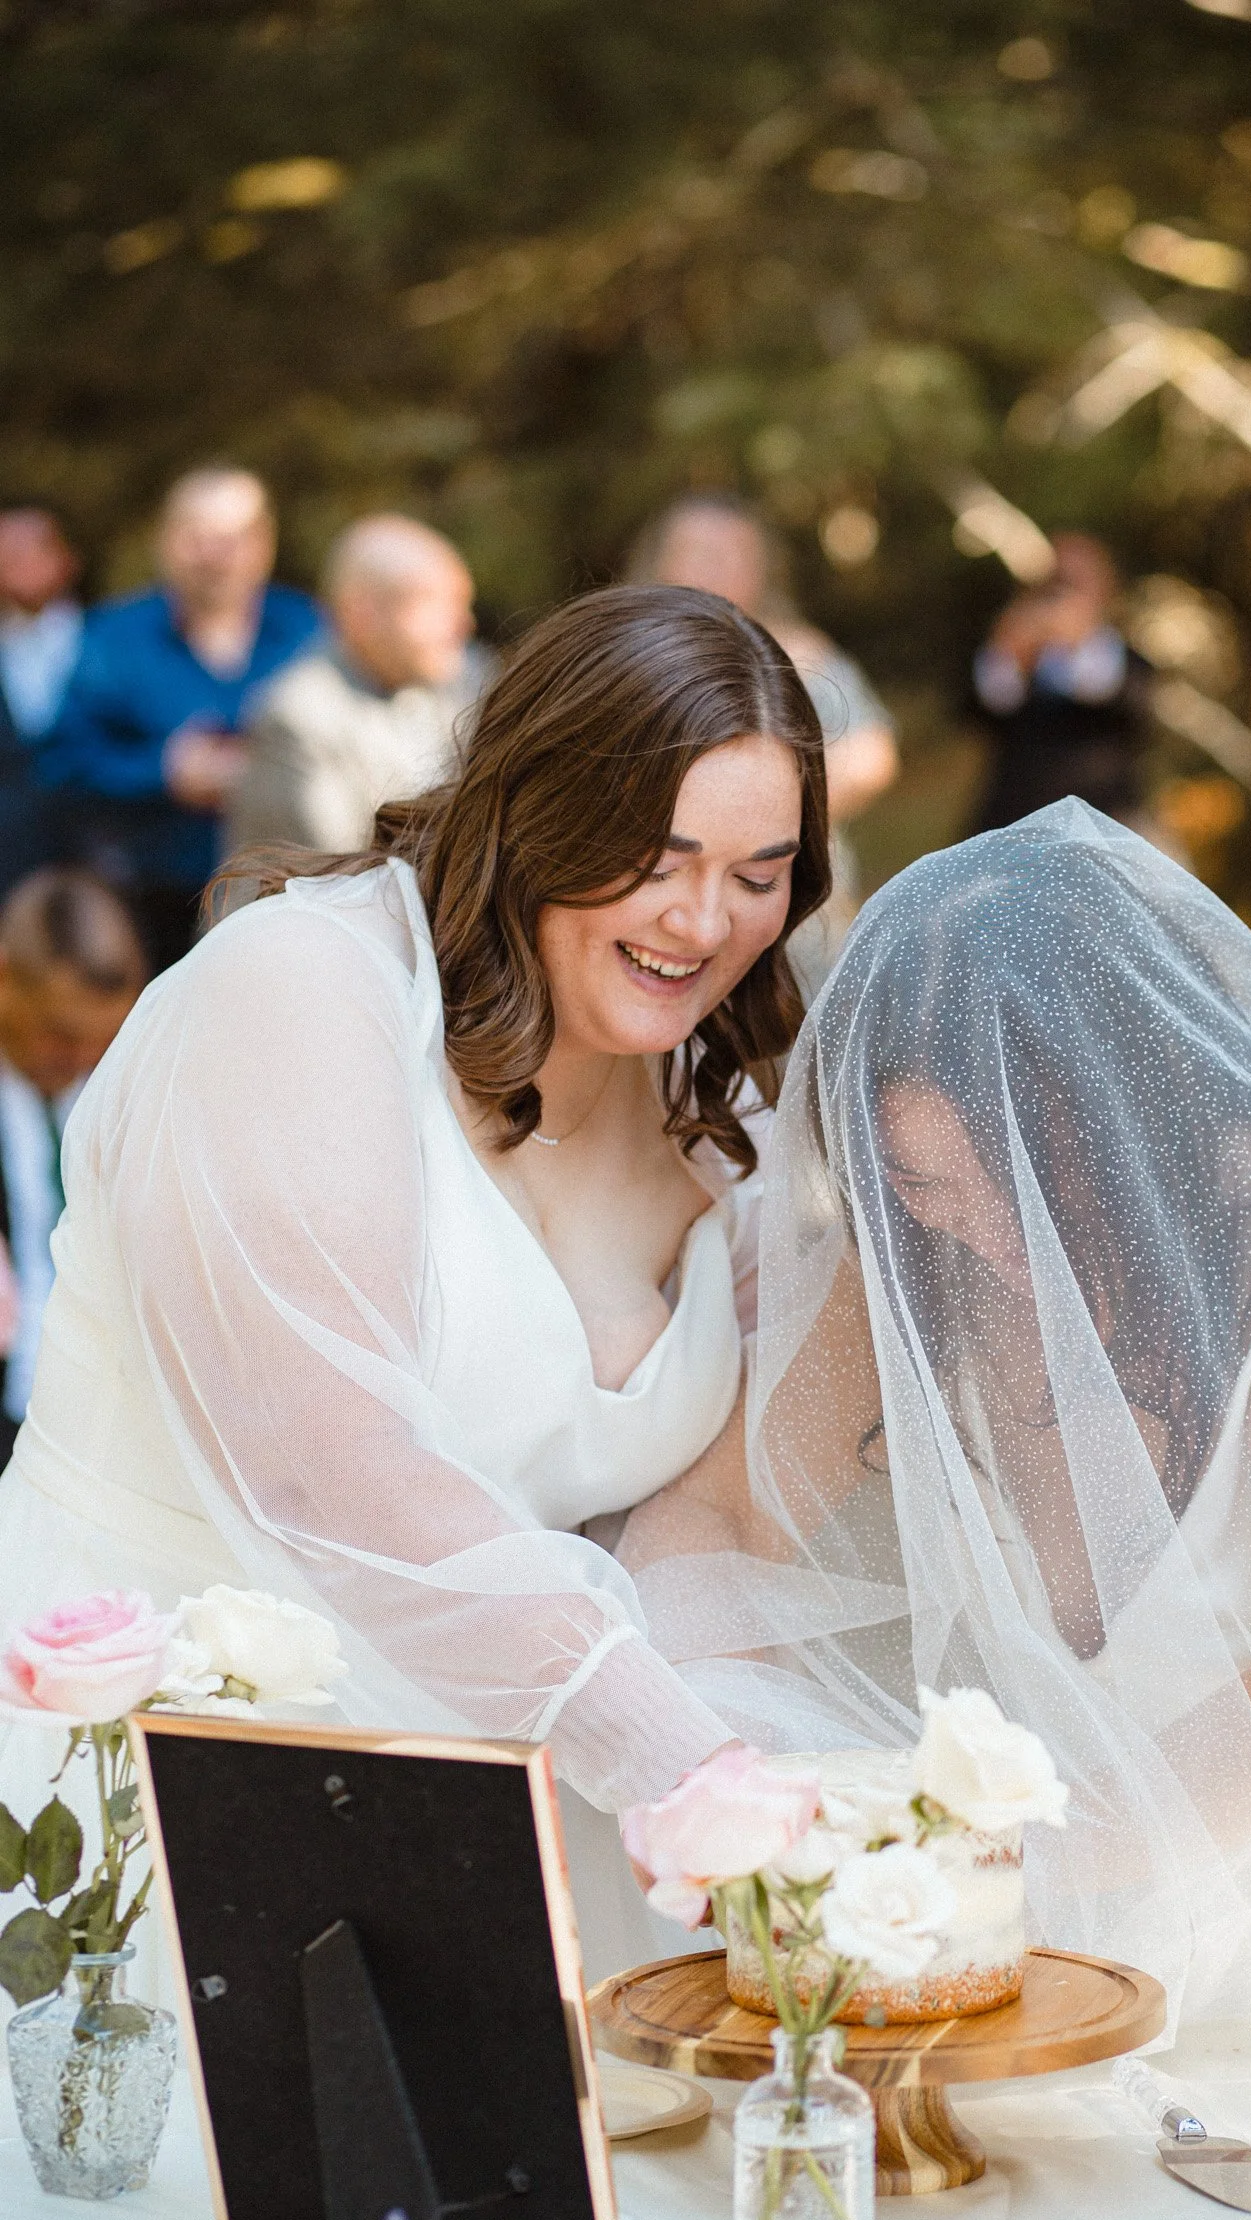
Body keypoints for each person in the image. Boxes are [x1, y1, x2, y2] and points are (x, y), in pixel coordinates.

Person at [0, 583, 830, 1979]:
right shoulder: (302, 992)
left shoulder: (706, 1108)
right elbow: (332, 1476)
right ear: (533, 810)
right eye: (657, 856)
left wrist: (750, 1779)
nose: (704, 922)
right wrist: (681, 1764)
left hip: (488, 1820)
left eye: (761, 874)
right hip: (135, 1787)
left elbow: (700, 1510)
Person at [618, 801, 1251, 2027]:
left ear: (1136, 1123)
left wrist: (999, 1873)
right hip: (1093, 1931)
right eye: (924, 1186)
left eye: (1029, 1187)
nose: (996, 1246)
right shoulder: (920, 1242)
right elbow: (720, 1515)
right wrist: (710, 1771)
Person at [39, 467, 319, 972]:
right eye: (197, 536)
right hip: (149, 912)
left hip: (295, 905)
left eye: (233, 537)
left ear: (265, 544)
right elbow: (58, 767)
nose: (214, 555)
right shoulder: (112, 639)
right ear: (164, 540)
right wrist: (162, 772)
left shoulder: (310, 632)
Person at [627, 495, 897, 992]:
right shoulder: (624, 653)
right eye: (704, 553)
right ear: (658, 561)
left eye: (737, 555)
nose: (721, 568)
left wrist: (755, 825)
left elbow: (872, 755)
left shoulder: (800, 651)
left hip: (795, 924)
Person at [228, 514, 492, 858]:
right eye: (435, 603)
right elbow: (339, 874)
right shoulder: (296, 719)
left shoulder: (466, 682)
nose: (463, 624)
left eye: (462, 603)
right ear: (363, 612)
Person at [0, 870, 145, 1464]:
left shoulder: (117, 1097)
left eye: (100, 1041)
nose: (82, 1059)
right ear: (4, 979)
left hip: (96, 1429)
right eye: (61, 1036)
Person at [970, 533, 1158, 835]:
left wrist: (1079, 644)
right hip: (1017, 817)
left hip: (1107, 817)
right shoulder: (1017, 651)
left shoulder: (1127, 658)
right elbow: (985, 712)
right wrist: (1010, 655)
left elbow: (1129, 713)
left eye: (1075, 582)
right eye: (1054, 582)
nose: (1062, 596)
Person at [0, 506, 83, 747]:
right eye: (10, 555)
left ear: (69, 558)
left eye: (36, 548)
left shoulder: (114, 641)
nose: (21, 565)